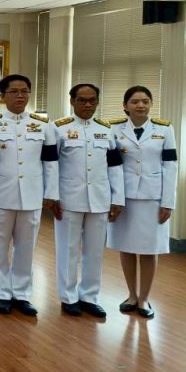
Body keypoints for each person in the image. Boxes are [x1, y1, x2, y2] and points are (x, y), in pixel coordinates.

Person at [0, 74, 59, 317]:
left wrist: (51, 193)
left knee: (26, 248)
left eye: (24, 91)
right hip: (0, 195)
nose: (20, 96)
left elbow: (50, 162)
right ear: (2, 95)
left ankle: (22, 294)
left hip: (32, 195)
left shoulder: (43, 124)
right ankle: (3, 293)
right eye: (14, 91)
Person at [52, 83, 124, 318]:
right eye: (82, 100)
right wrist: (52, 196)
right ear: (72, 101)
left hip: (100, 199)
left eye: (92, 100)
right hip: (68, 199)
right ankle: (68, 297)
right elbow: (51, 166)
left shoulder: (106, 130)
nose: (87, 104)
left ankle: (89, 297)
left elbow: (115, 167)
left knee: (94, 252)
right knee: (68, 250)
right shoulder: (59, 129)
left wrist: (118, 198)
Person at [107, 86, 177, 319]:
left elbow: (170, 166)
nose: (140, 105)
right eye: (135, 101)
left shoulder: (164, 129)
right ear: (125, 105)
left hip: (152, 198)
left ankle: (144, 298)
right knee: (126, 247)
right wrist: (112, 198)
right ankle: (131, 295)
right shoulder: (113, 129)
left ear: (151, 104)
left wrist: (168, 202)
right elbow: (110, 165)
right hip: (123, 198)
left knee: (149, 249)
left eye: (145, 101)